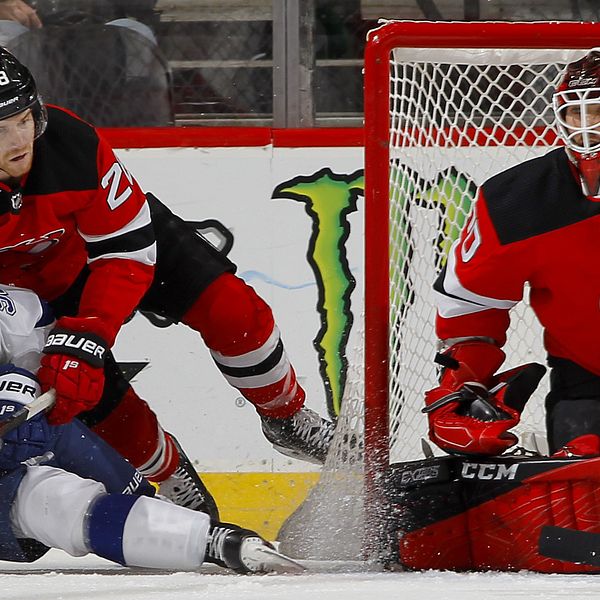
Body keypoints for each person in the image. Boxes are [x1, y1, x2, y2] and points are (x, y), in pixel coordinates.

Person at [0, 48, 334, 512]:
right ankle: (170, 474)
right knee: (89, 394)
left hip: (106, 250)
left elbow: (125, 250)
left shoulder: (69, 142)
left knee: (233, 311)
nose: (19, 140)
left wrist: (90, 331)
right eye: (1, 130)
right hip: (23, 297)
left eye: (23, 119)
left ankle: (286, 416)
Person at [0, 284, 300, 573]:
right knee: (45, 502)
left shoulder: (15, 315)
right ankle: (200, 538)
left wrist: (20, 388)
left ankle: (178, 523)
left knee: (45, 440)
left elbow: (34, 347)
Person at [423, 47, 600, 459]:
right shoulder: (517, 204)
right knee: (583, 500)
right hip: (588, 381)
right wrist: (461, 391)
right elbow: (472, 308)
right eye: (579, 114)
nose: (589, 127)